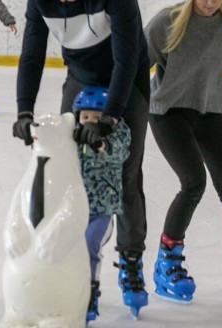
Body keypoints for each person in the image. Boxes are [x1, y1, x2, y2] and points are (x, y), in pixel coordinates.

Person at [12, 0, 151, 317]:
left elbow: (126, 60)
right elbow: (31, 54)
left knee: (125, 174)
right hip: (80, 79)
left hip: (127, 83)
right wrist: (24, 110)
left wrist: (110, 118)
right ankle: (78, 274)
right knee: (70, 172)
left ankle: (131, 259)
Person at [143, 0, 222, 302]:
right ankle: (167, 261)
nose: (210, 3)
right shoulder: (167, 22)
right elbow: (136, 64)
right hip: (168, 112)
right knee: (193, 182)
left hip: (210, 111)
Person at [71, 86, 132, 323]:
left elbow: (120, 152)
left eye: (96, 118)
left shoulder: (118, 134)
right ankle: (68, 290)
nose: (89, 122)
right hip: (75, 208)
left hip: (102, 211)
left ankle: (90, 293)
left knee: (89, 246)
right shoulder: (73, 134)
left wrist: (101, 144)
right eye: (85, 117)